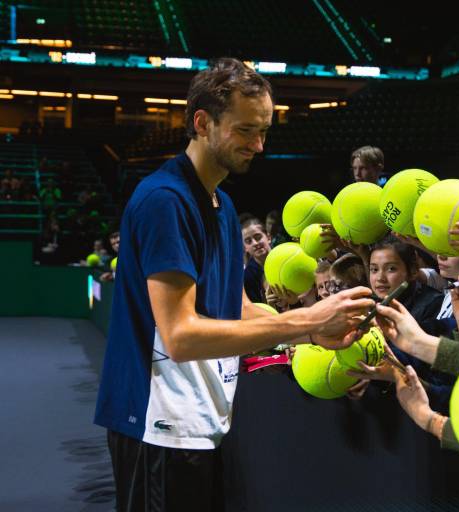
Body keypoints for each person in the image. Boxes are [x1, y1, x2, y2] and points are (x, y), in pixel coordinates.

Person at [93, 58, 373, 511]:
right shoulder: (166, 201)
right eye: (245, 131)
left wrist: (311, 332)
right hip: (158, 425)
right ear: (202, 123)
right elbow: (181, 336)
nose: (259, 145)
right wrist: (306, 317)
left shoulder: (221, 203)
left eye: (263, 131)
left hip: (203, 421)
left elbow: (236, 310)